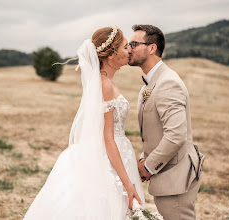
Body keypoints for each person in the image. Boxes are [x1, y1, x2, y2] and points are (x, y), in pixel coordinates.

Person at [23, 26, 144, 220]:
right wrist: (127, 183)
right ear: (111, 55)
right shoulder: (104, 85)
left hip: (121, 153)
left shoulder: (107, 82)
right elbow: (107, 137)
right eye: (124, 47)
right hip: (111, 156)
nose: (129, 50)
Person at [129, 24, 205, 220]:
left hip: (176, 176)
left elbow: (176, 135)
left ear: (152, 48)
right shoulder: (153, 82)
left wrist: (148, 167)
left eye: (134, 44)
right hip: (168, 174)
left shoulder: (167, 83)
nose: (129, 48)